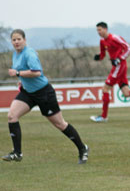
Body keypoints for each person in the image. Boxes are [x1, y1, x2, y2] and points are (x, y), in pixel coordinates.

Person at [2, 29, 89, 164]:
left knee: (60, 124)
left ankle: (83, 148)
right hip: (28, 93)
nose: (16, 42)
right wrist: (21, 80)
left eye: (19, 39)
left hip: (44, 93)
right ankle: (17, 153)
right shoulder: (16, 54)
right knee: (12, 116)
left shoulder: (29, 53)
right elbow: (25, 72)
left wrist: (18, 73)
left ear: (24, 40)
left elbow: (36, 72)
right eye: (14, 40)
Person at [90, 22, 130, 122]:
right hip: (116, 66)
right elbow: (103, 55)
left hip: (120, 66)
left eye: (100, 30)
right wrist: (98, 57)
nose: (98, 32)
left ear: (105, 29)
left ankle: (104, 117)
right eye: (97, 30)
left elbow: (129, 48)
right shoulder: (102, 42)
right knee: (127, 93)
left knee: (105, 89)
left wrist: (119, 58)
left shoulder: (114, 38)